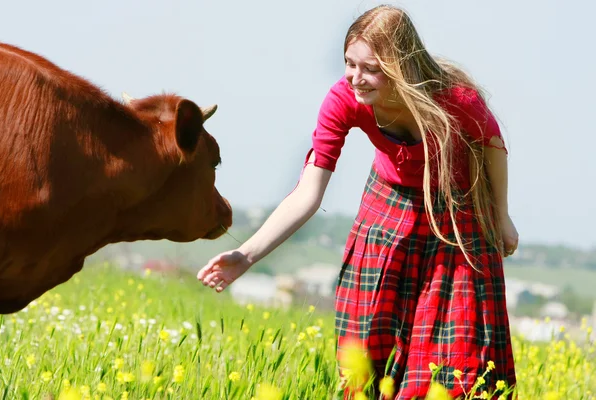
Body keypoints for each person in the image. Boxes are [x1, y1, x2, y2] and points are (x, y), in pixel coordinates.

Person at [197, 4, 518, 399]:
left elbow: (493, 146)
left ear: (401, 67)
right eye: (350, 63)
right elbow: (307, 195)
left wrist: (501, 217)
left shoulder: (457, 101)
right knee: (366, 343)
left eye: (370, 68)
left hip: (456, 211)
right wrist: (245, 256)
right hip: (387, 204)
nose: (355, 77)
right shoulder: (342, 99)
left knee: (453, 357)